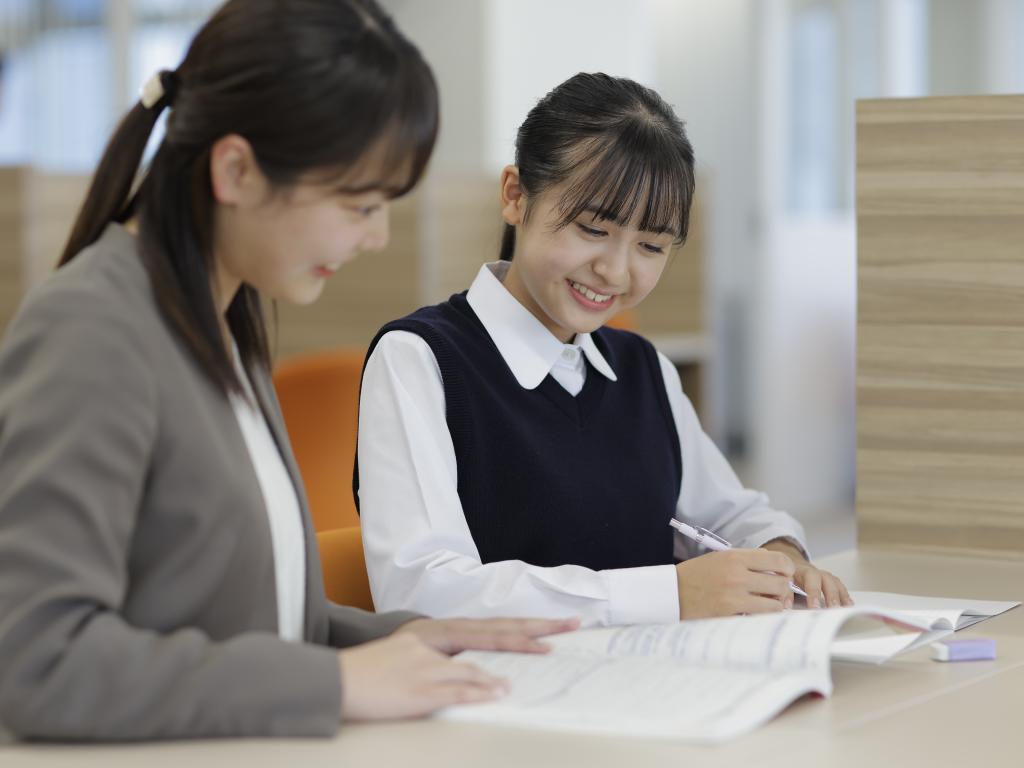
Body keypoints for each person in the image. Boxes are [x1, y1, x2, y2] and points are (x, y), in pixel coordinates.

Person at [0, 0, 576, 742]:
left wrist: (408, 639)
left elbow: (249, 613)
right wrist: (334, 681)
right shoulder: (92, 327)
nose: (377, 237)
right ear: (236, 169)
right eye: (358, 204)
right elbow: (40, 660)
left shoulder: (221, 319)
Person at [356, 72, 853, 627]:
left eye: (650, 245)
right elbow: (421, 591)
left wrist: (781, 556)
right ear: (516, 196)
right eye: (593, 229)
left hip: (655, 689)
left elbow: (734, 515)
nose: (616, 270)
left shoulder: (643, 368)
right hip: (506, 696)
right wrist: (669, 594)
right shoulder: (420, 360)